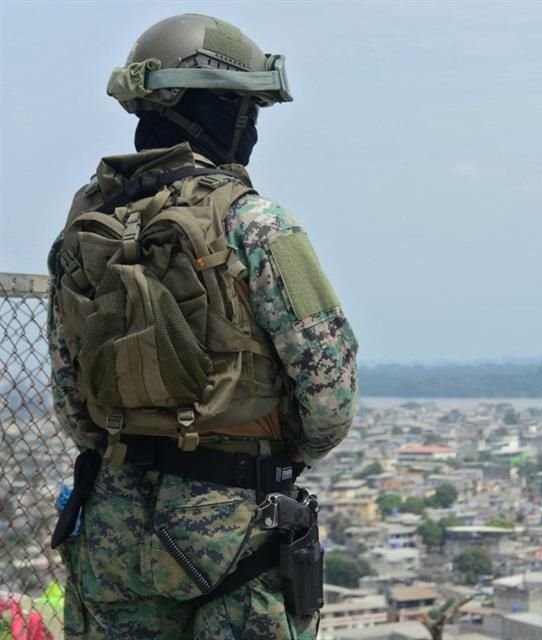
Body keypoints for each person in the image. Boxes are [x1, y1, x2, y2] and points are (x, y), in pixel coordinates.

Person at [46, 14, 359, 639]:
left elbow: (69, 395)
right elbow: (329, 397)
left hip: (112, 520)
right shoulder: (257, 224)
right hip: (233, 527)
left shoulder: (86, 230)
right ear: (224, 111)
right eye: (249, 111)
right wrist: (275, 444)